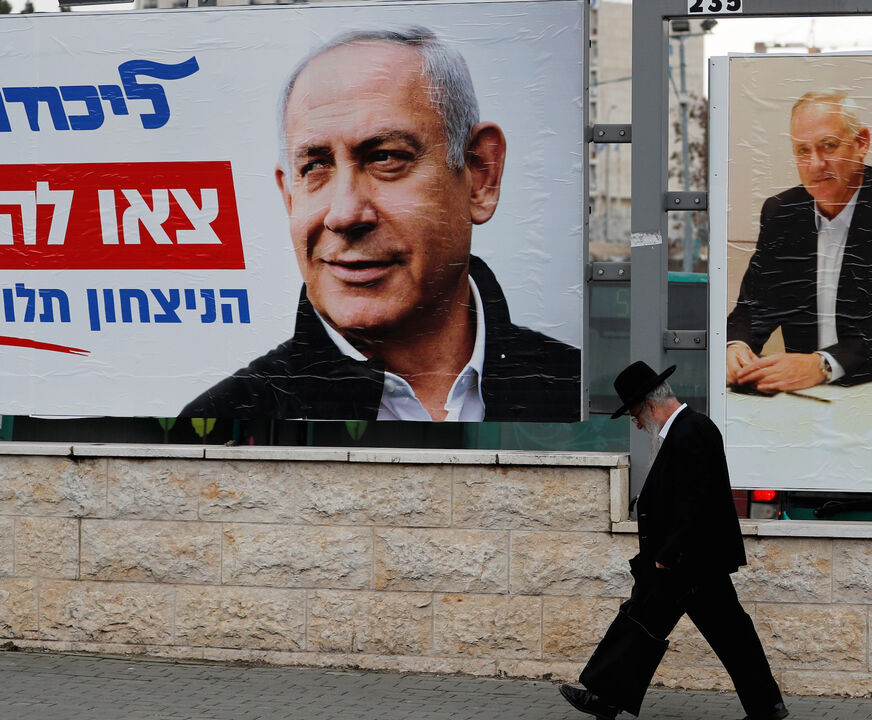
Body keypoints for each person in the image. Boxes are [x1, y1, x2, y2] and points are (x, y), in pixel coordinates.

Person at [182, 28, 579, 422]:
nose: (344, 214)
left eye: (385, 157)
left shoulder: (581, 396)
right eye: (315, 166)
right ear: (290, 197)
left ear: (479, 174)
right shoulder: (222, 424)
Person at [559, 361, 788, 720]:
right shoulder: (683, 431)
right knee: (656, 624)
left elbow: (697, 500)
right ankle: (766, 706)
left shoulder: (692, 430)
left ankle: (604, 698)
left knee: (660, 625)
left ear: (649, 404)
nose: (635, 423)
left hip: (688, 562)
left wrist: (669, 552)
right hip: (687, 561)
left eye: (634, 413)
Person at [726, 90, 872, 393]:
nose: (816, 164)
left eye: (828, 146)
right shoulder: (783, 213)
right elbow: (755, 306)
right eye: (803, 150)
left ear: (862, 143)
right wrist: (735, 346)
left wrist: (823, 364)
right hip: (808, 394)